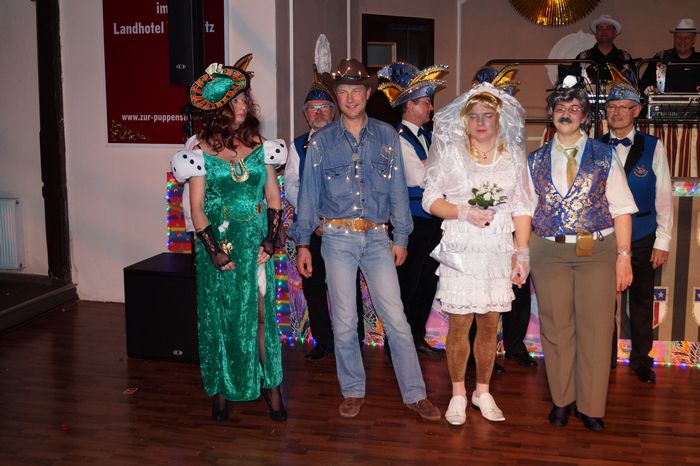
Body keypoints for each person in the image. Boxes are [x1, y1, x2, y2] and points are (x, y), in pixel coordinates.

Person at [292, 58, 441, 421]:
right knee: (344, 321)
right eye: (343, 92)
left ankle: (415, 393)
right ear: (337, 96)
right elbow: (308, 196)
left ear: (367, 94)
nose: (350, 98)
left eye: (356, 91)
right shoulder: (321, 142)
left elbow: (397, 191)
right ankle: (353, 389)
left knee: (397, 319)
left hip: (377, 238)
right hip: (336, 239)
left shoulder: (387, 136)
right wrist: (302, 243)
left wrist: (401, 237)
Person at [528, 75, 637, 432]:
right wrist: (520, 253)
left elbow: (622, 208)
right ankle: (562, 400)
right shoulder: (534, 160)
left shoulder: (604, 155)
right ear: (551, 114)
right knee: (556, 328)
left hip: (598, 251)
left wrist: (624, 256)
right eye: (560, 107)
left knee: (596, 328)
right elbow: (524, 211)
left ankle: (590, 406)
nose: (566, 113)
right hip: (548, 251)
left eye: (574, 108)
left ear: (585, 117)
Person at [180, 56, 286, 422]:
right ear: (217, 108)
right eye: (235, 101)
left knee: (261, 316)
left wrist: (270, 241)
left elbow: (273, 197)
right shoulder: (199, 152)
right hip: (219, 245)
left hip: (255, 243)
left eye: (244, 100)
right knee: (220, 316)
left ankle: (272, 388)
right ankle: (221, 389)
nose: (242, 106)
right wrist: (213, 252)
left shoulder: (262, 146)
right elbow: (197, 207)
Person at [423, 81, 532, 425]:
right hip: (461, 247)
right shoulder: (451, 155)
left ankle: (482, 392)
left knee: (489, 323)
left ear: (500, 119)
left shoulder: (513, 158)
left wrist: (522, 252)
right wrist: (462, 212)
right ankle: (458, 393)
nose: (480, 122)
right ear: (464, 120)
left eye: (487, 115)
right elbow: (430, 199)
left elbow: (522, 207)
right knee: (460, 323)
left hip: (497, 249)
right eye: (473, 116)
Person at [285, 67, 366, 360]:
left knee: (347, 284)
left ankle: (353, 339)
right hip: (311, 229)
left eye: (323, 107)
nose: (318, 113)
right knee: (314, 285)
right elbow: (292, 184)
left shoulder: (348, 139)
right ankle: (323, 340)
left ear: (333, 111)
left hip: (343, 226)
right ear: (305, 115)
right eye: (312, 108)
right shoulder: (297, 145)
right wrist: (314, 216)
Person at [599, 83, 673, 383]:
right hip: (606, 235)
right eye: (611, 107)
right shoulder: (595, 146)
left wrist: (663, 240)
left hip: (643, 233)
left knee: (641, 301)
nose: (616, 112)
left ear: (637, 111)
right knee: (603, 302)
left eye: (623, 107)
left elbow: (664, 195)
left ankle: (641, 360)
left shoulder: (653, 146)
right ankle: (603, 359)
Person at [377, 62, 448, 356]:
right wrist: (438, 163)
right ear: (409, 105)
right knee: (407, 283)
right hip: (410, 223)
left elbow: (437, 174)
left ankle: (416, 336)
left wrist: (432, 164)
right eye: (425, 102)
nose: (430, 108)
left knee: (428, 282)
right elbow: (417, 178)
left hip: (434, 221)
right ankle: (397, 342)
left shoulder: (429, 138)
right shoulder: (397, 138)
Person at [471, 66, 537, 370]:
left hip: (511, 221)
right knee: (478, 294)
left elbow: (521, 185)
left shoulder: (513, 131)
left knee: (517, 286)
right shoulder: (468, 130)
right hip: (476, 226)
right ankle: (478, 355)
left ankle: (514, 345)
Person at [640, 18, 700, 93]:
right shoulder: (660, 58)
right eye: (679, 37)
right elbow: (644, 86)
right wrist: (651, 90)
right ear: (674, 38)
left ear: (694, 39)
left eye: (687, 38)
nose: (682, 41)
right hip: (664, 101)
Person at [574, 14, 635, 85]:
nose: (604, 31)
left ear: (615, 33)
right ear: (596, 33)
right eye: (600, 28)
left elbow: (634, 86)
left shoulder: (625, 58)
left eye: (608, 28)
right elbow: (571, 85)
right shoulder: (583, 58)